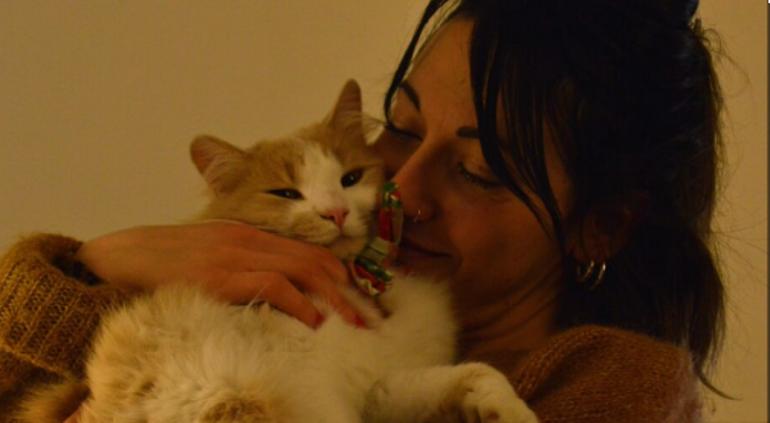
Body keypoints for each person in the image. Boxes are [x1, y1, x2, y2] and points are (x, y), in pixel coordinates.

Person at [0, 0, 726, 421]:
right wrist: (86, 272)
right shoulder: (290, 294)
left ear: (602, 225)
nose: (402, 188)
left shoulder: (614, 384)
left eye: (476, 171)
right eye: (401, 128)